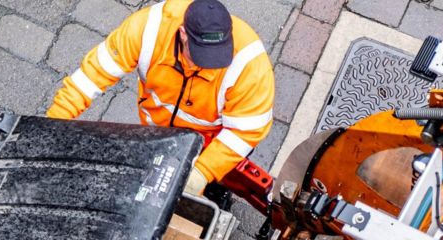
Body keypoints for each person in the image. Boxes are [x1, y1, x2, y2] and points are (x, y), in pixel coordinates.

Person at [47, 0, 276, 198]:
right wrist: (51, 126)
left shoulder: (249, 65)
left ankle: (217, 192)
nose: (206, 65)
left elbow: (246, 131)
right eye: (199, 56)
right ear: (183, 33)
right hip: (158, 131)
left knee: (215, 181)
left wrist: (203, 172)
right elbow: (89, 79)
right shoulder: (147, 29)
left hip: (211, 141)